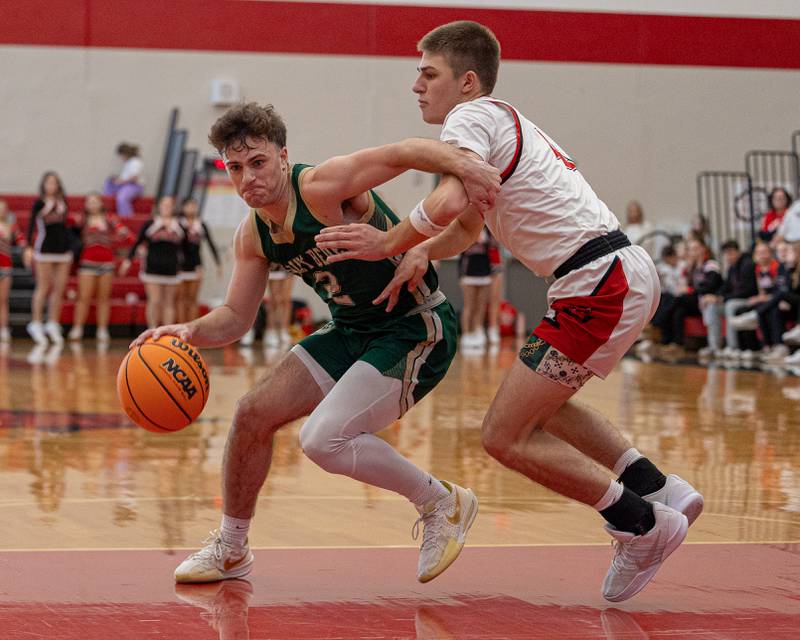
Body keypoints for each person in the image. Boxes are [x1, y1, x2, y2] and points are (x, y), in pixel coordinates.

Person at [316, 20, 702, 602]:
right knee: (541, 410)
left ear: (466, 81)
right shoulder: (500, 122)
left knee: (503, 435)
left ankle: (642, 525)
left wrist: (386, 241)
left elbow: (446, 201)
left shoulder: (469, 119)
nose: (415, 86)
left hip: (597, 281)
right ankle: (657, 489)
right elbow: (466, 225)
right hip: (607, 274)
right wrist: (421, 250)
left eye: (428, 74)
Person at [131, 102, 501, 585]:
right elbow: (237, 318)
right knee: (251, 415)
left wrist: (465, 164)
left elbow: (403, 152)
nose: (248, 178)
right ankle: (231, 548)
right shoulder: (254, 235)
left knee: (322, 439)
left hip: (414, 325)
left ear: (284, 157)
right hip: (351, 327)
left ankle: (441, 502)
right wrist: (190, 332)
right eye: (235, 168)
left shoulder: (322, 186)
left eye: (258, 163)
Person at [68, 193, 132, 342]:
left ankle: (102, 329)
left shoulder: (110, 219)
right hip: (87, 264)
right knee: (83, 298)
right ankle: (77, 328)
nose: (92, 204)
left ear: (101, 204)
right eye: (89, 202)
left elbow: (127, 235)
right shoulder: (82, 220)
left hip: (107, 264)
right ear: (85, 205)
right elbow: (66, 222)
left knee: (104, 299)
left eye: (95, 201)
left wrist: (124, 246)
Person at [24, 171, 76, 346]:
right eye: (48, 183)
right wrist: (28, 247)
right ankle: (36, 323)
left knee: (59, 289)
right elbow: (31, 225)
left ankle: (53, 324)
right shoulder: (39, 203)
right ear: (44, 185)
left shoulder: (63, 203)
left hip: (62, 251)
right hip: (44, 249)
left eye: (54, 182)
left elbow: (65, 227)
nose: (52, 186)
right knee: (44, 286)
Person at [119, 196, 185, 328]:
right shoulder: (150, 223)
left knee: (168, 302)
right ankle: (152, 330)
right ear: (158, 207)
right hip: (152, 266)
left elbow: (187, 248)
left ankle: (167, 332)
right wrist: (128, 260)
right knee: (154, 301)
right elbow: (137, 242)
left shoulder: (179, 225)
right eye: (164, 204)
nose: (166, 207)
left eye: (169, 205)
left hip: (171, 267)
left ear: (174, 208)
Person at [704, 240, 758, 359]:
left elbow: (746, 291)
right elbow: (725, 287)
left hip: (748, 299)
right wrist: (714, 297)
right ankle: (715, 347)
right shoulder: (732, 268)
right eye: (726, 254)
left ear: (737, 251)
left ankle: (732, 346)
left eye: (730, 253)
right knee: (713, 306)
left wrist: (722, 298)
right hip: (734, 299)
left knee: (730, 305)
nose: (728, 257)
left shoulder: (747, 264)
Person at [177, 197, 222, 324]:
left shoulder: (200, 224)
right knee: (181, 299)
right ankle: (181, 328)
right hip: (180, 266)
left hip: (196, 265)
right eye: (189, 206)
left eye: (194, 205)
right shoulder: (178, 224)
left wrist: (218, 263)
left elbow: (211, 243)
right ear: (183, 208)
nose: (191, 208)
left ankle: (191, 329)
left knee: (192, 299)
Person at [458, 227, 493, 350]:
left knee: (481, 306)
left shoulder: (488, 231)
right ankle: (466, 334)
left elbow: (490, 251)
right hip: (469, 273)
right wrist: (460, 276)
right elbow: (461, 255)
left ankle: (478, 332)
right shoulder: (467, 228)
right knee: (469, 305)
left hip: (484, 273)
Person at [0, 199, 24, 342]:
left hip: (5, 267)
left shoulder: (11, 226)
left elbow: (21, 241)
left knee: (2, 300)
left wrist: (26, 250)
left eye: (3, 208)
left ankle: (3, 329)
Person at [103, 143, 145, 217]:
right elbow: (126, 176)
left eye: (121, 156)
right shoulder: (128, 163)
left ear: (125, 154)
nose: (121, 158)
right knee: (108, 183)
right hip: (125, 185)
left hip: (134, 186)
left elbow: (134, 178)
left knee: (122, 198)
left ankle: (126, 218)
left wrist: (121, 181)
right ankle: (106, 210)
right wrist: (117, 178)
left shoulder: (136, 162)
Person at [264, 265, 294, 348]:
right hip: (275, 263)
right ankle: (271, 330)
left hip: (287, 261)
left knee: (286, 299)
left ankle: (284, 330)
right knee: (274, 300)